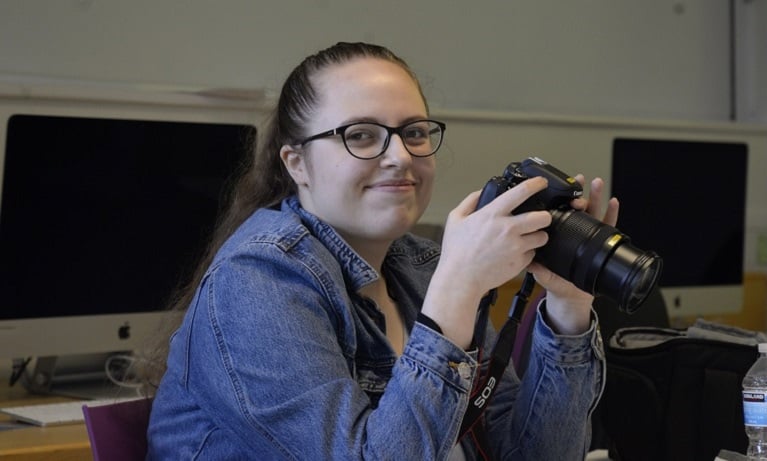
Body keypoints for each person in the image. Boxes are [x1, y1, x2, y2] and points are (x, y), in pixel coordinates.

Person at [145, 41, 615, 460]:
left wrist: (569, 306)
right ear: (297, 164)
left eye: (414, 133)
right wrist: (458, 289)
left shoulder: (422, 266)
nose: (401, 157)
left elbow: (528, 453)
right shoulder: (255, 281)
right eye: (361, 135)